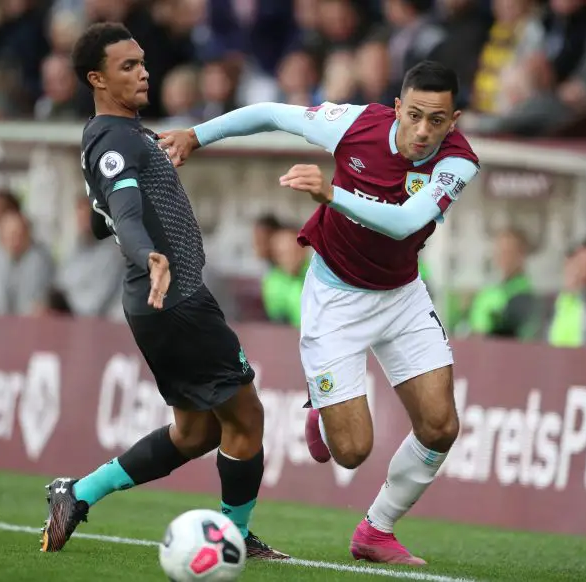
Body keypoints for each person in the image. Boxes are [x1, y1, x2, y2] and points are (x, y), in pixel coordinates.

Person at [160, 61, 480, 566]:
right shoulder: (355, 124)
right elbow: (272, 113)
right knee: (351, 451)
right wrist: (196, 136)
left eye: (437, 120)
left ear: (453, 120)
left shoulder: (458, 162)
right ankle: (321, 405)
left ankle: (376, 530)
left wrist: (332, 194)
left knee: (440, 426)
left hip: (402, 295)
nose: (423, 131)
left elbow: (405, 223)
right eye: (415, 115)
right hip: (336, 299)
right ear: (397, 107)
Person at [40, 23, 287, 560]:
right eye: (127, 66)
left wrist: (131, 206)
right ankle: (234, 537)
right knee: (246, 417)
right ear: (96, 79)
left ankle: (77, 494)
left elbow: (106, 215)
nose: (143, 73)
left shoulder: (116, 134)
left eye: (142, 62)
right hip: (174, 299)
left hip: (159, 301)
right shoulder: (115, 139)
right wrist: (148, 253)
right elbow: (125, 212)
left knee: (196, 434)